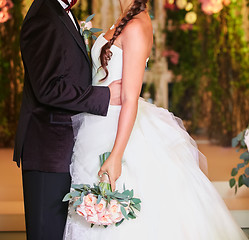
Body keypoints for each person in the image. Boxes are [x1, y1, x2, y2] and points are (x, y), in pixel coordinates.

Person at [63, 0, 248, 239]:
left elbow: (131, 98)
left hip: (116, 126)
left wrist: (116, 156)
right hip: (98, 118)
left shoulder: (137, 25)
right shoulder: (124, 19)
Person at [13, 0, 121, 239]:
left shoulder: (60, 11)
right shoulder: (43, 15)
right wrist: (104, 96)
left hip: (65, 148)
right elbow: (48, 88)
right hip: (47, 150)